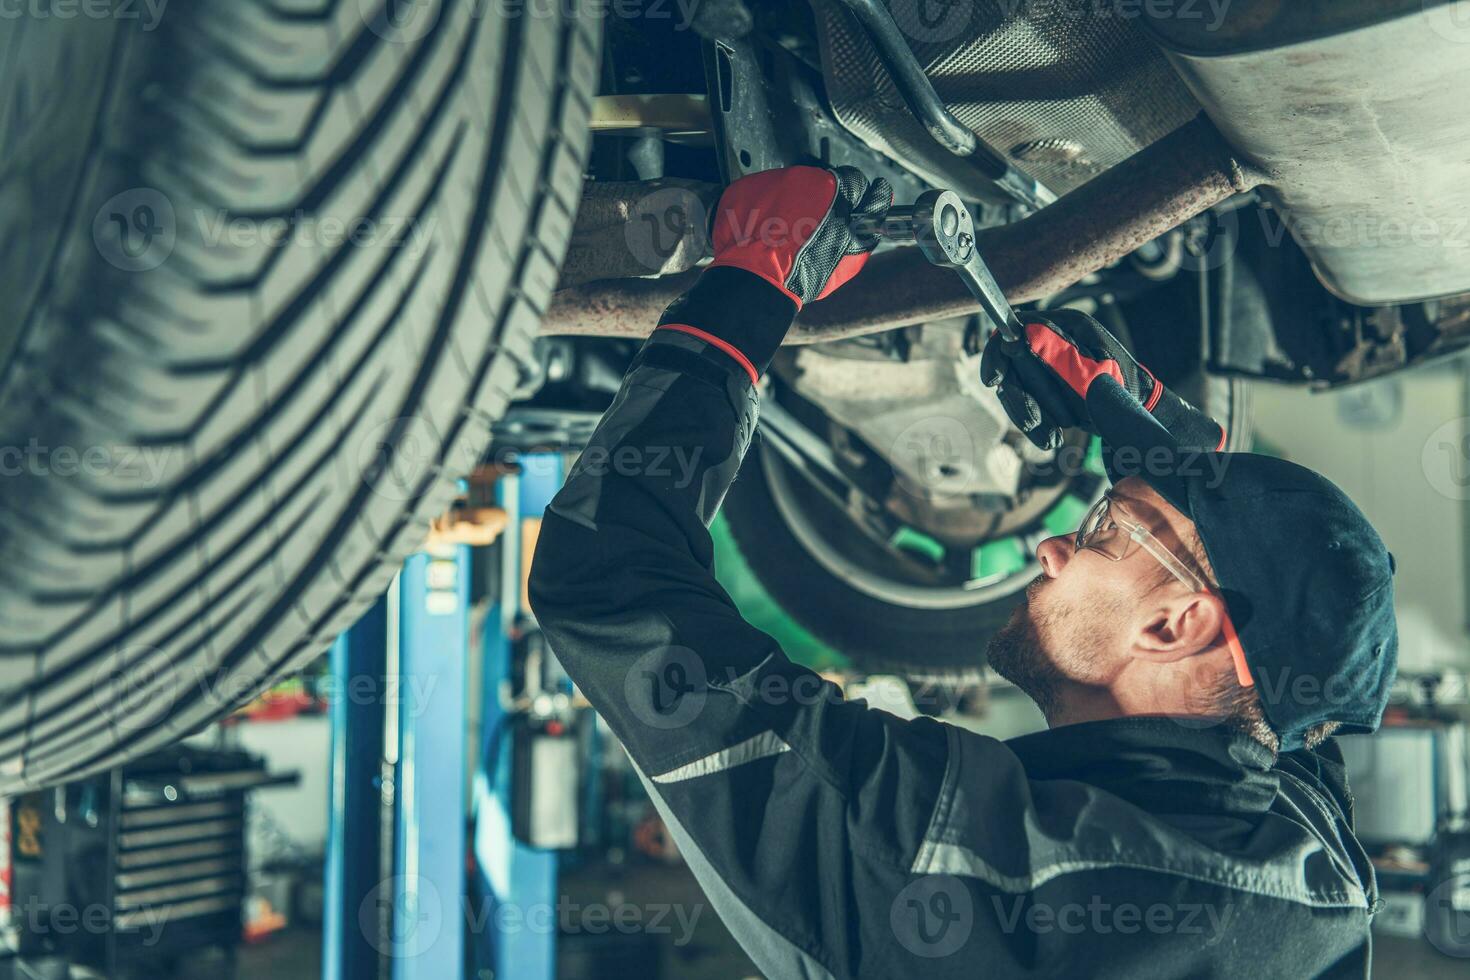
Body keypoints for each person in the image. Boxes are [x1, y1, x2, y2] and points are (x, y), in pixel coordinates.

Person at [528, 165, 1398, 978]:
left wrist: (752, 283)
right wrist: (1132, 411)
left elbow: (609, 586)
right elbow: (1307, 663)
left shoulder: (976, 883)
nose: (1052, 546)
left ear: (1176, 627)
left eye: (1099, 532)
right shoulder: (1289, 842)